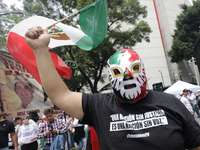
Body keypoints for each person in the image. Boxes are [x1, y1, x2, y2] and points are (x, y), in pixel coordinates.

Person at [25, 26, 200, 150]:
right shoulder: (99, 105)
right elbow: (59, 95)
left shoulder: (171, 103)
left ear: (143, 71)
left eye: (134, 69)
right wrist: (40, 49)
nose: (128, 77)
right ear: (110, 76)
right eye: (118, 72)